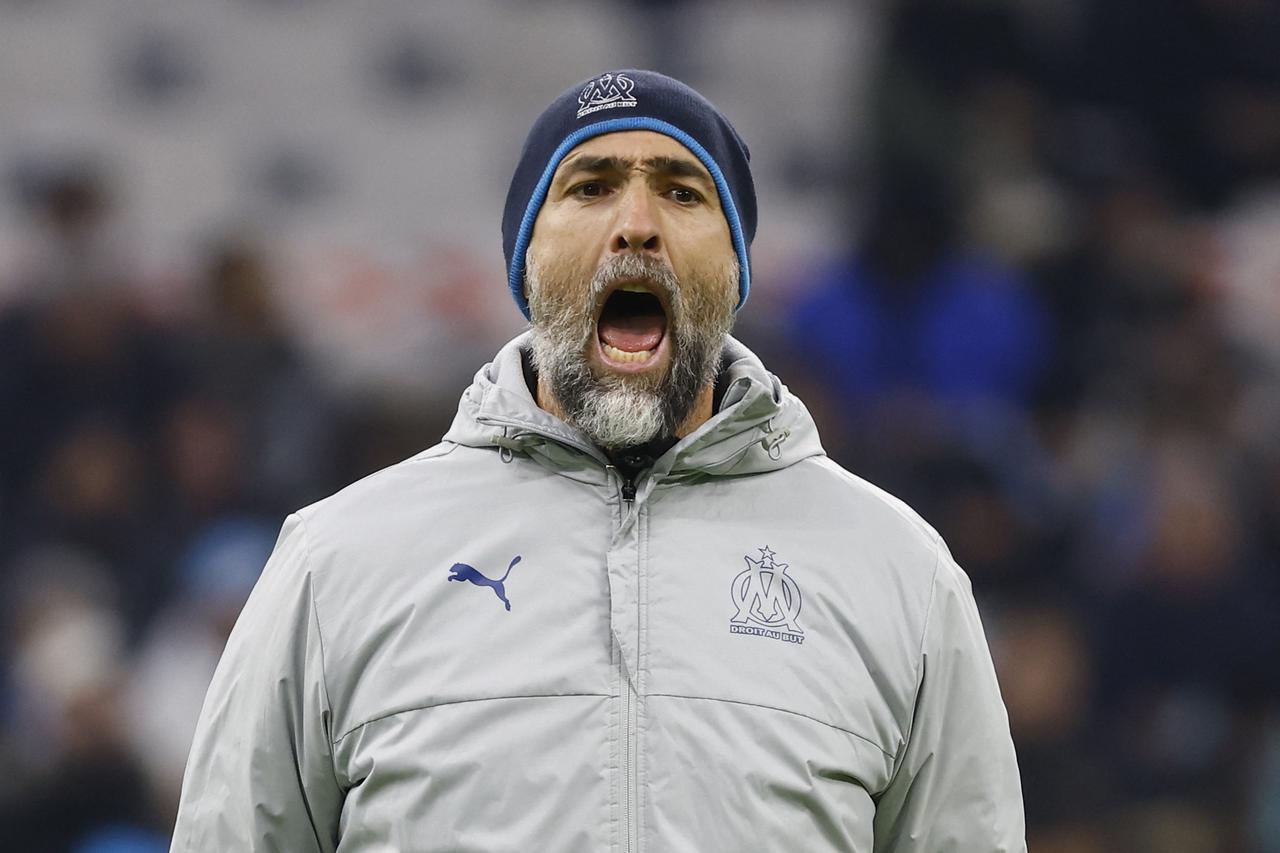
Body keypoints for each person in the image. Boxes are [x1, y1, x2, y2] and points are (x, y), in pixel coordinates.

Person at [170, 69, 1026, 852]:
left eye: (683, 192)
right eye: (591, 187)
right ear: (526, 263)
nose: (638, 225)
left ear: (735, 272)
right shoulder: (336, 563)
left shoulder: (899, 573)